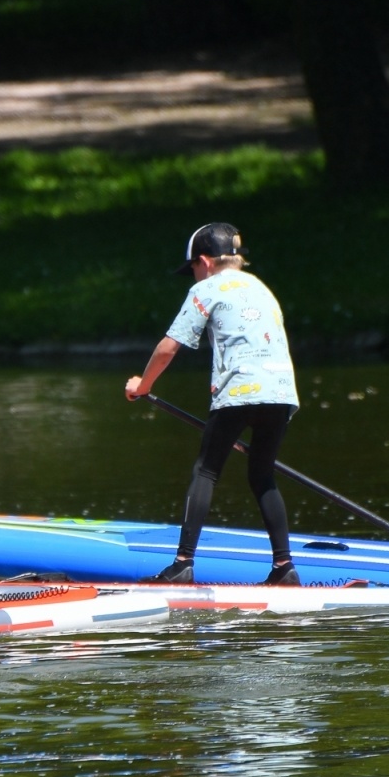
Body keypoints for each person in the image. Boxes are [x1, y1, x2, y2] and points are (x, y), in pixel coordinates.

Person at [125, 222, 300, 585]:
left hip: (238, 391)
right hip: (282, 392)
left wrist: (143, 385)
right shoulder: (262, 289)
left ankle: (183, 564)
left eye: (191, 268)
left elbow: (168, 347)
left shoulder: (207, 288)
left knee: (206, 470)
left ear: (203, 261)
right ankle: (284, 568)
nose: (192, 275)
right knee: (262, 474)